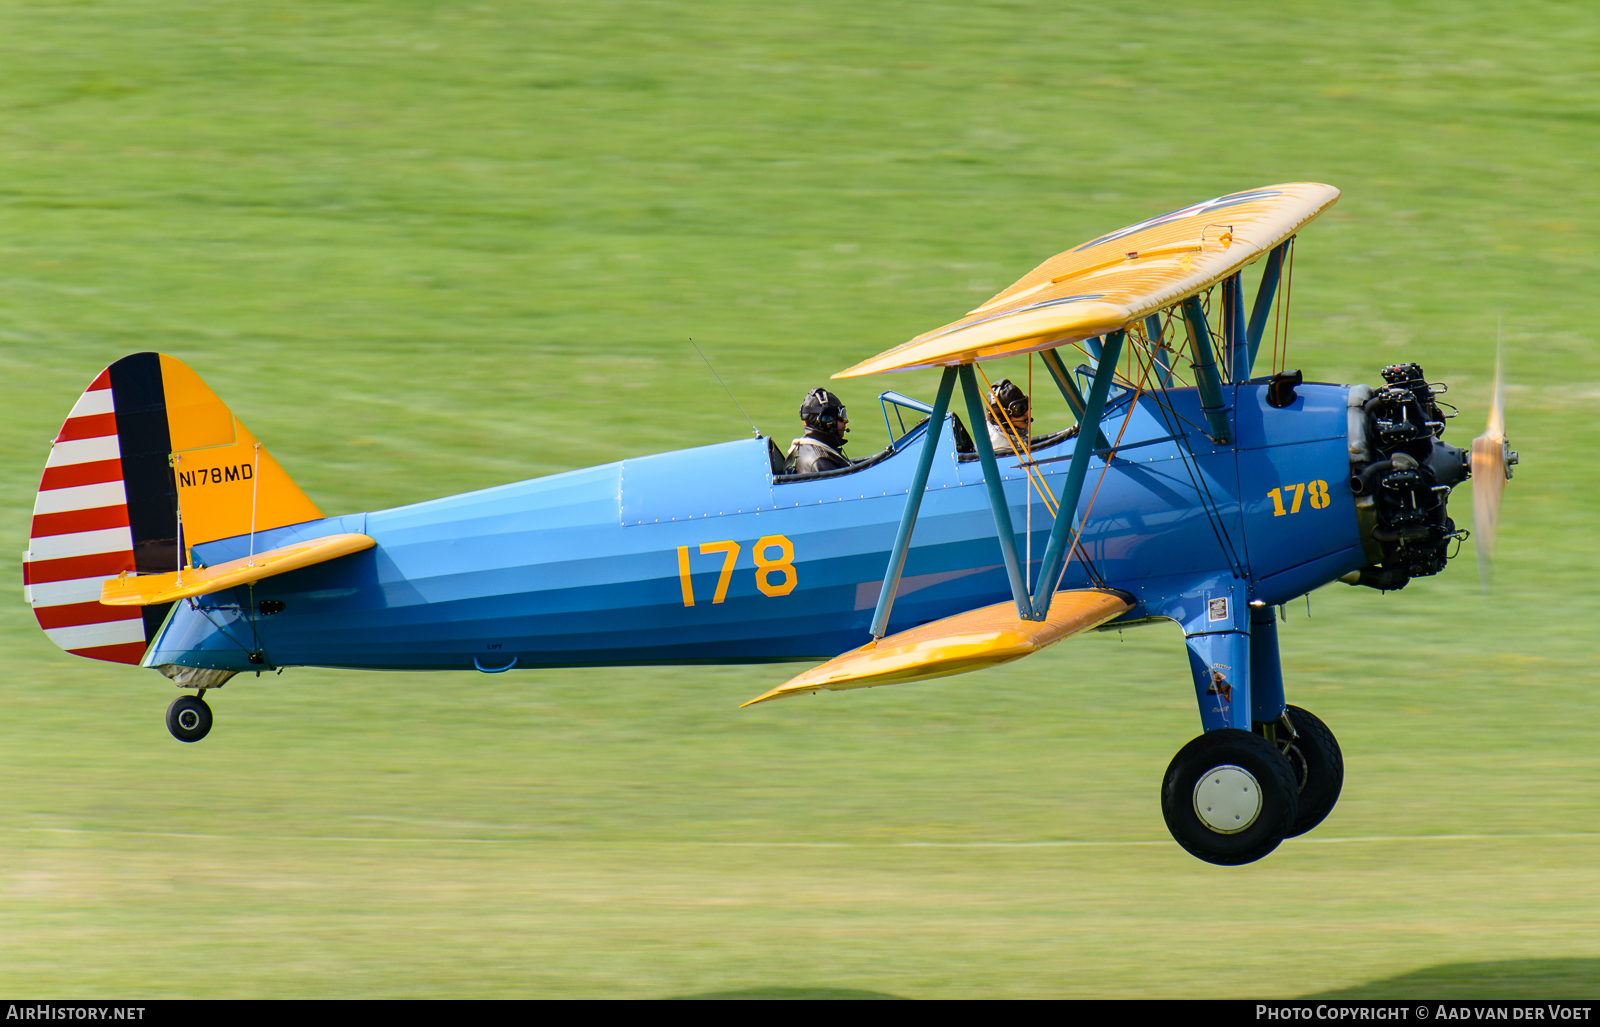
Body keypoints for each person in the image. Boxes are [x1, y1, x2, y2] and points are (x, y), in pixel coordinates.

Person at [787, 388, 852, 473]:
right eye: (842, 415)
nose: (846, 421)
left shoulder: (819, 451)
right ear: (827, 421)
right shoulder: (821, 462)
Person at [984, 379, 1033, 452]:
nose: (1027, 412)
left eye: (1027, 405)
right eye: (1019, 409)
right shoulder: (997, 449)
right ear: (1002, 417)